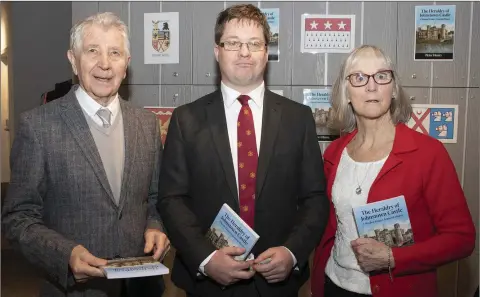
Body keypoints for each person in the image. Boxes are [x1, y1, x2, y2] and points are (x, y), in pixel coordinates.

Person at [157, 4, 329, 297]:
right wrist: (207, 258)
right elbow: (172, 199)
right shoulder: (186, 119)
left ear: (266, 52)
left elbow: (314, 199)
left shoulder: (298, 118)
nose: (244, 53)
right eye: (233, 43)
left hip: (278, 283)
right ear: (217, 51)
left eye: (254, 44)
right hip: (208, 284)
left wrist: (291, 252)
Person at [2, 12, 170, 297]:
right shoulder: (38, 126)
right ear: (73, 59)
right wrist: (65, 254)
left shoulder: (146, 124)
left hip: (142, 288)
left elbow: (155, 198)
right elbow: (18, 217)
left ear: (126, 64)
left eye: (114, 52)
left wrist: (155, 226)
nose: (104, 64)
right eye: (92, 51)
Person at [311, 45, 476, 297]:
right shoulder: (334, 153)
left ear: (394, 88)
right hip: (335, 284)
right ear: (345, 92)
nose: (371, 86)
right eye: (358, 78)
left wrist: (393, 256)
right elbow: (330, 227)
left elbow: (461, 238)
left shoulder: (427, 153)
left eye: (381, 76)